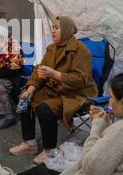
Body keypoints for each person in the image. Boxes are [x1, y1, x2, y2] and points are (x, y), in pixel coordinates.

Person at [0, 72, 123, 175]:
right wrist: (108, 127)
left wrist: (96, 129)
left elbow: (92, 169)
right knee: (48, 166)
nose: (109, 102)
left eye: (111, 97)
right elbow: (121, 150)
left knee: (45, 172)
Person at [10, 16, 98, 164]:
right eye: (52, 27)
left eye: (57, 27)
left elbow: (81, 80)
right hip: (54, 90)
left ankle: (49, 151)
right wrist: (30, 89)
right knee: (25, 98)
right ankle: (30, 143)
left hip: (74, 94)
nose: (53, 31)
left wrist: (54, 74)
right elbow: (39, 71)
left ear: (66, 30)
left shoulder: (81, 51)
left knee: (45, 108)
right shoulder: (52, 49)